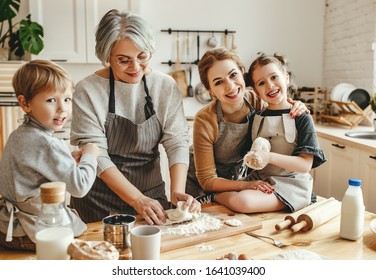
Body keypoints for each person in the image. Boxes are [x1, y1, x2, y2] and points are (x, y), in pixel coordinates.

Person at [69, 9, 200, 225]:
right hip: (97, 200)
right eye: (123, 60)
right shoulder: (88, 90)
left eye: (142, 57)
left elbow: (177, 140)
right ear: (106, 56)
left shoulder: (164, 86)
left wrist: (177, 191)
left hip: (151, 196)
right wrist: (136, 198)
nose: (135, 67)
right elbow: (97, 154)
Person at [195, 52, 327, 213]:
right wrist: (244, 185)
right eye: (218, 82)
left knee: (244, 203)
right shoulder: (205, 120)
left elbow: (279, 104)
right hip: (212, 185)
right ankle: (213, 196)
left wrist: (298, 105)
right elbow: (207, 179)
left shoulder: (256, 103)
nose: (230, 86)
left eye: (233, 75)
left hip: (260, 183)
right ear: (210, 91)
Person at [0, 60, 99, 251]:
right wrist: (90, 156)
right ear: (25, 103)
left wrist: (69, 158)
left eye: (67, 99)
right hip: (33, 232)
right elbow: (79, 187)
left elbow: (32, 172)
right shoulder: (47, 144)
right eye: (51, 100)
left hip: (7, 229)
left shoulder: (18, 135)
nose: (62, 108)